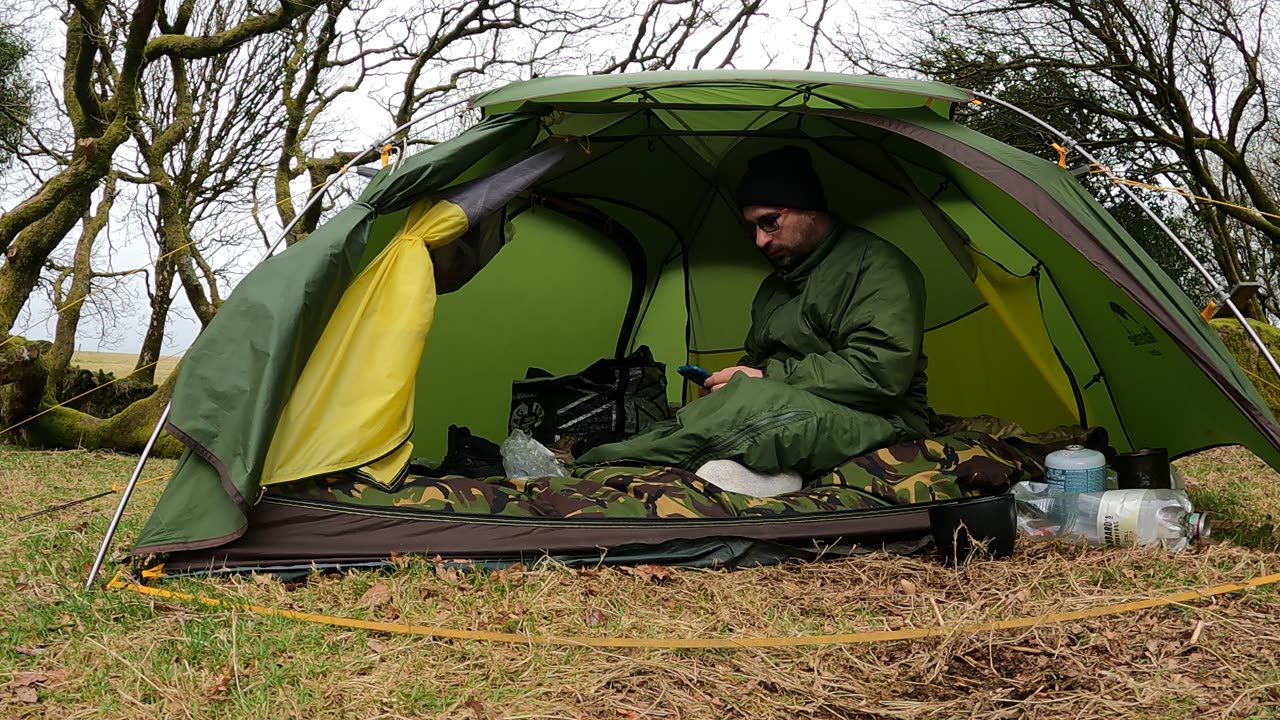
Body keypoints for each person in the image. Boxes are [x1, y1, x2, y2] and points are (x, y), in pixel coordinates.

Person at [577, 145, 929, 496]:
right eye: (752, 228)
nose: (760, 241)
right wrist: (730, 382)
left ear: (810, 210)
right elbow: (758, 361)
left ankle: (606, 468)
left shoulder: (878, 267)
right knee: (720, 408)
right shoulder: (774, 287)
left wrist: (760, 381)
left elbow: (878, 371)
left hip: (882, 419)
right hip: (794, 401)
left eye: (769, 222)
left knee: (752, 409)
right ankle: (610, 456)